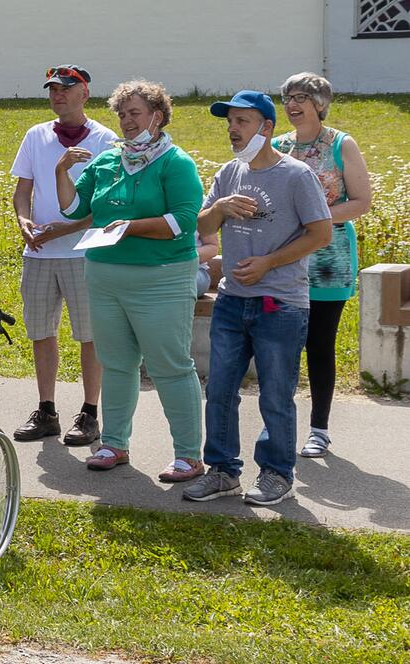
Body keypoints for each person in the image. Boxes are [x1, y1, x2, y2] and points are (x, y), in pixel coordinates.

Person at [184, 91, 332, 506]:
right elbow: (203, 224)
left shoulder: (296, 175)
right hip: (232, 300)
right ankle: (223, 472)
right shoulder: (229, 173)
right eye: (230, 121)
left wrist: (269, 262)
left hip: (280, 304)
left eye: (242, 122)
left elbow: (321, 234)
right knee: (220, 389)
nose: (232, 129)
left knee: (274, 394)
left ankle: (276, 474)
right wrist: (221, 208)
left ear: (266, 128)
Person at [55, 80, 206, 482]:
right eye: (121, 114)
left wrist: (132, 227)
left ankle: (189, 455)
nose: (126, 121)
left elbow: (183, 222)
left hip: (162, 279)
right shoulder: (107, 161)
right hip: (104, 277)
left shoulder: (176, 163)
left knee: (170, 366)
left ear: (157, 116)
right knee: (117, 364)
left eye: (134, 113)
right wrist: (61, 170)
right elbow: (73, 209)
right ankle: (114, 443)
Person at [10, 65, 118, 446]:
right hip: (38, 253)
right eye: (53, 89)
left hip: (84, 253)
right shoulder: (36, 135)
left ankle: (90, 413)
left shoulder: (106, 140)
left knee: (90, 335)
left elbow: (106, 205)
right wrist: (24, 221)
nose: (57, 94)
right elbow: (23, 190)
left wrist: (65, 229)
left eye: (66, 89)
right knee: (42, 333)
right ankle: (47, 409)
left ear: (84, 94)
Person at [273, 73, 372, 458]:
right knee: (281, 343)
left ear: (320, 102)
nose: (292, 105)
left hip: (329, 258)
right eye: (287, 98)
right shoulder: (278, 146)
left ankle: (319, 429)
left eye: (301, 97)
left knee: (319, 343)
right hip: (284, 256)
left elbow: (361, 201)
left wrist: (315, 220)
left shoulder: (341, 143)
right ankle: (280, 424)